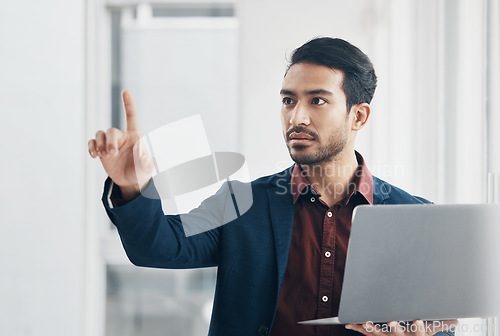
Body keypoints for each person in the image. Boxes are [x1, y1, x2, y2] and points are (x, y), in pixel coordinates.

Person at [88, 37, 457, 336]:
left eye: (317, 100)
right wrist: (133, 187)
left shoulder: (413, 217)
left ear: (357, 115)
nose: (296, 116)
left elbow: (437, 326)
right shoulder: (241, 202)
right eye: (288, 100)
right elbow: (158, 248)